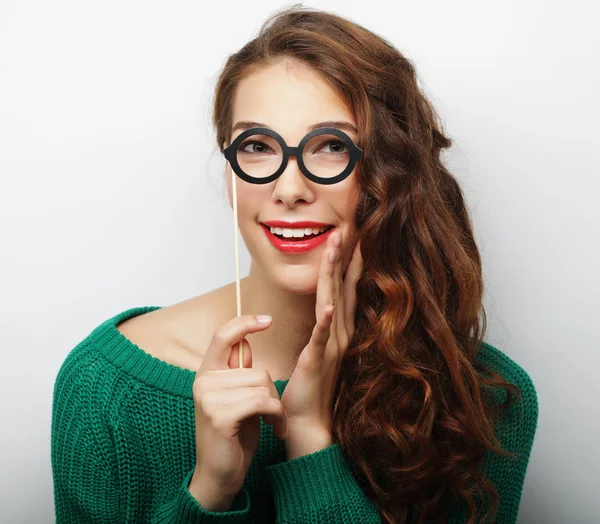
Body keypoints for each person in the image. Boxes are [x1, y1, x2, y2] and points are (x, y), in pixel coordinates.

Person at [51, 5, 538, 524]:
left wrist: (309, 442)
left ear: (393, 171)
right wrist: (209, 490)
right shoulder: (104, 387)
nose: (288, 189)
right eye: (257, 146)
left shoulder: (484, 400)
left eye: (331, 146)